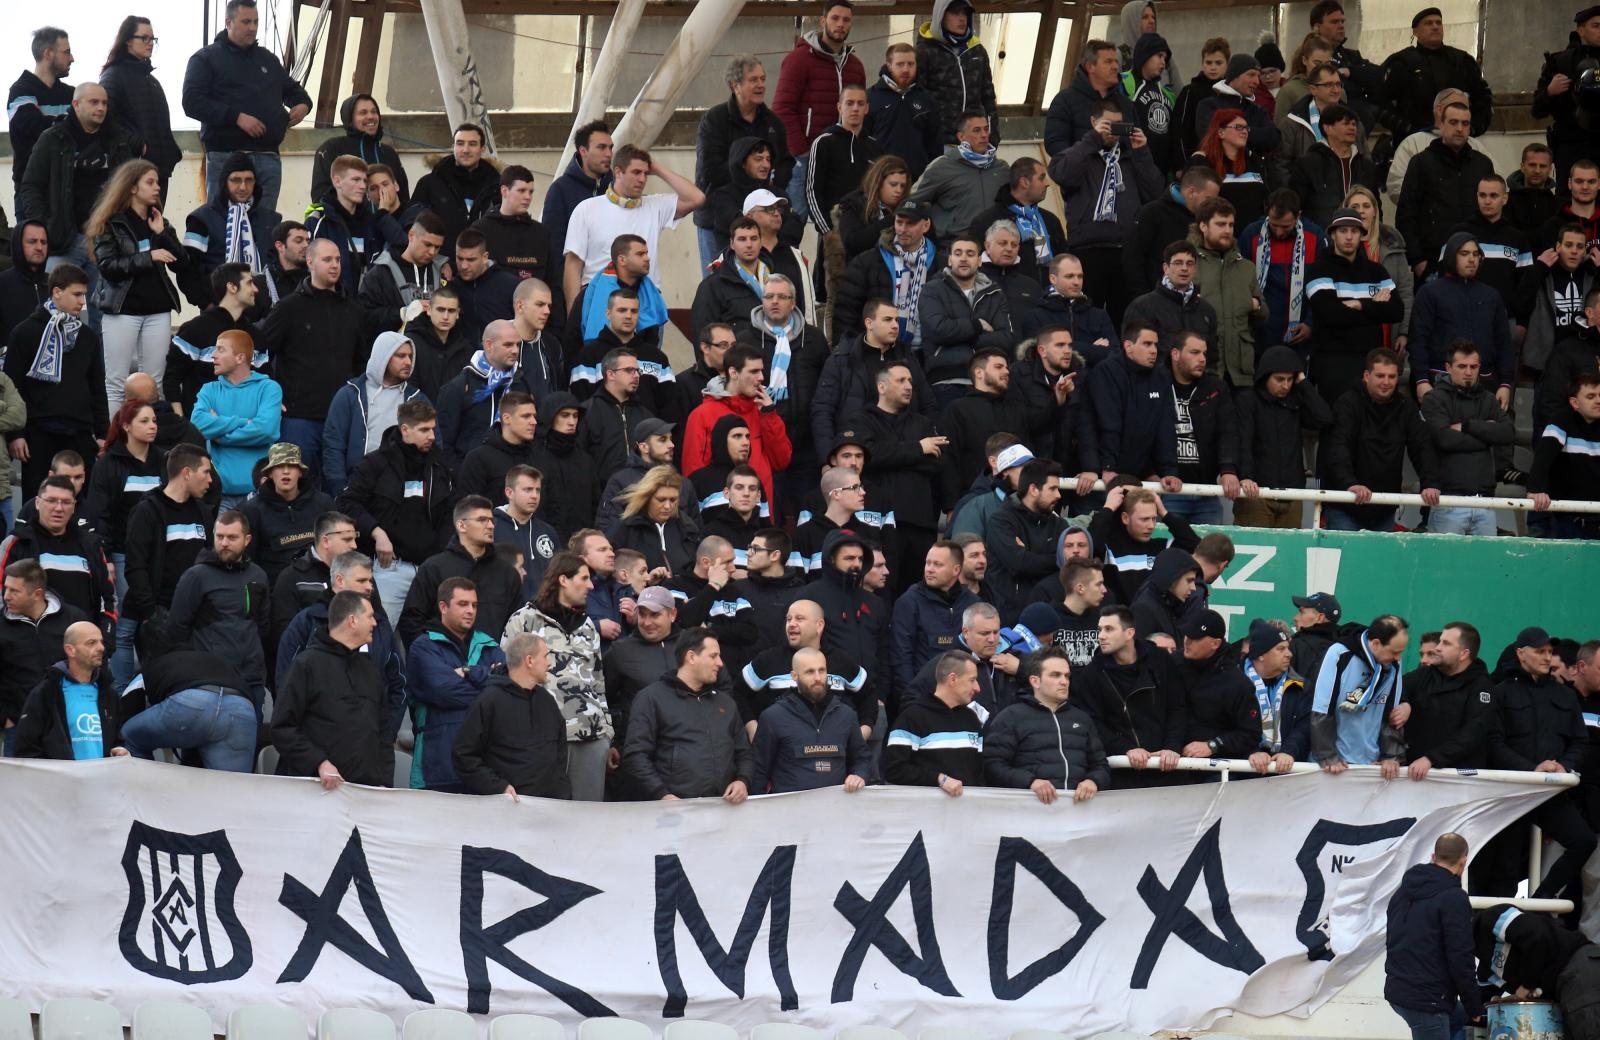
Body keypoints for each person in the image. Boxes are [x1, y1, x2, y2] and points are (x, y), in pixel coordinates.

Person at [1485, 627, 1594, 901]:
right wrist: (1531, 769)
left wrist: (1562, 766)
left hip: (1550, 793)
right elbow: (1493, 743)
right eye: (1540, 651)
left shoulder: (1565, 695)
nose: (1547, 657)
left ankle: (1540, 899)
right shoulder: (1501, 693)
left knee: (1583, 841)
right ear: (1521, 653)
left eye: (1549, 652)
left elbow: (1580, 741)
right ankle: (1497, 924)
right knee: (1505, 869)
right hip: (1512, 795)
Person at [180, 0, 309, 213]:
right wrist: (236, 117)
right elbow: (192, 102)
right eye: (246, 22)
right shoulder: (205, 58)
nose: (252, 27)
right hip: (226, 156)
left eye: (256, 22)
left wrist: (303, 104)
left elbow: (293, 90)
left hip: (268, 156)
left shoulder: (268, 60)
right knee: (223, 222)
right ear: (228, 22)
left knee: (265, 224)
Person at [254, 239, 363, 470]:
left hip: (342, 417)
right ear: (310, 262)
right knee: (298, 482)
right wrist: (270, 394)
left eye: (338, 260)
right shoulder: (289, 308)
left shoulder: (353, 309)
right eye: (327, 259)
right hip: (299, 418)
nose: (335, 265)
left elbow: (361, 361)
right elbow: (259, 351)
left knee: (339, 482)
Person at [1050, 98, 1163, 320]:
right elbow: (1062, 174)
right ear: (1094, 122)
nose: (1113, 131)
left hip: (1126, 250)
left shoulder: (1130, 158)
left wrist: (1141, 152)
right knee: (1085, 314)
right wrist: (1092, 139)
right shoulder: (1080, 154)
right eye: (1108, 125)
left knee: (1125, 316)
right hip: (1088, 248)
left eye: (1119, 125)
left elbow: (1155, 192)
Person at [336, 399, 453, 612]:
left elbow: (449, 513)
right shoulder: (375, 463)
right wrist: (377, 532)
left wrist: (442, 557)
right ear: (405, 430)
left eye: (433, 429)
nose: (432, 436)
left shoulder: (440, 465)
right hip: (388, 568)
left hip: (431, 569)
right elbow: (347, 502)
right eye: (424, 430)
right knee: (380, 628)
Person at [271, 591, 393, 788]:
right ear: (352, 620)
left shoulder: (371, 671)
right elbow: (282, 728)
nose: (375, 623)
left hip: (364, 793)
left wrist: (384, 783)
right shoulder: (307, 664)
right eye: (370, 616)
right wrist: (318, 762)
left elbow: (383, 735)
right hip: (312, 789)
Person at [562, 144, 702, 312]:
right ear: (618, 172)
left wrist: (657, 168)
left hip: (645, 300)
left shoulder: (656, 205)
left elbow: (697, 198)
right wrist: (574, 313)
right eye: (636, 172)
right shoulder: (587, 209)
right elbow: (573, 265)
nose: (642, 179)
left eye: (646, 173)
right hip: (600, 299)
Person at [624, 627, 751, 803]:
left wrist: (742, 780)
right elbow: (636, 755)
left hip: (724, 808)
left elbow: (744, 752)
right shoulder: (651, 699)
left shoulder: (726, 703)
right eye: (713, 656)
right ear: (691, 657)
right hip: (672, 810)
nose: (720, 663)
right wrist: (661, 794)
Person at [1322, 348, 1442, 531]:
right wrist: (1350, 483)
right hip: (1345, 506)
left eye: (1392, 377)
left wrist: (1430, 483)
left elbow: (1422, 446)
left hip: (1384, 509)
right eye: (1380, 376)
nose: (1386, 382)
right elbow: (1338, 447)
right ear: (1366, 376)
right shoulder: (1347, 404)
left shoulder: (1406, 407)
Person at [405, 576, 506, 792]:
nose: (470, 611)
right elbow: (445, 691)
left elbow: (507, 689)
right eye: (463, 604)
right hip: (438, 765)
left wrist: (469, 672)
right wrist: (489, 682)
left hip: (486, 765)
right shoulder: (423, 647)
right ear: (443, 607)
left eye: (474, 605)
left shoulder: (490, 645)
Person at [162, 510, 270, 706]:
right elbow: (176, 628)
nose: (224, 543)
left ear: (247, 540)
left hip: (252, 676)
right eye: (220, 537)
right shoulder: (196, 576)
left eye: (232, 537)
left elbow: (263, 625)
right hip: (210, 680)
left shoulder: (258, 576)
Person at [693, 57, 792, 268]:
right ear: (735, 85)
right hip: (716, 221)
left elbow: (785, 163)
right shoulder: (714, 120)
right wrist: (746, 171)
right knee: (718, 279)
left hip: (763, 225)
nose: (761, 85)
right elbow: (709, 170)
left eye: (763, 79)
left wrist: (772, 188)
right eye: (753, 79)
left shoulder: (773, 123)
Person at [1384, 832, 1484, 1040]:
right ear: (1463, 862)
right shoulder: (1454, 898)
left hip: (1398, 990)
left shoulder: (1403, 892)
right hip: (1427, 1000)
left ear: (1433, 857)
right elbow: (1461, 958)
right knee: (1461, 1015)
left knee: (1458, 1017)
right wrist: (1474, 1006)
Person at [452, 630, 570, 800]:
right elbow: (463, 755)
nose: (549, 663)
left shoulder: (547, 701)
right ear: (529, 660)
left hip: (550, 808)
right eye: (545, 656)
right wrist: (497, 787)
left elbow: (560, 752)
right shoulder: (489, 701)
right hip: (506, 810)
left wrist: (560, 789)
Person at [773, 3, 865, 220]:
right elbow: (782, 108)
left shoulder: (855, 66)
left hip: (840, 159)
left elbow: (860, 108)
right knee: (794, 222)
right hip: (804, 159)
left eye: (846, 20)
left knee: (836, 223)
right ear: (823, 21)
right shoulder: (799, 60)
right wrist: (802, 151)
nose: (840, 24)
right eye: (835, 18)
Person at [1075, 606, 1184, 786]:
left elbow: (1177, 707)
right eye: (1100, 629)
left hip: (1166, 770)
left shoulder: (1160, 661)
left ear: (1129, 633)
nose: (1101, 636)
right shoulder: (1092, 674)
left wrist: (1172, 746)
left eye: (1109, 629)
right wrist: (1126, 749)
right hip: (1122, 774)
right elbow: (1094, 723)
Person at [399, 495, 521, 648]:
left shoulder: (507, 573)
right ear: (461, 525)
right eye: (482, 520)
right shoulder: (434, 568)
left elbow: (517, 625)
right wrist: (431, 656)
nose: (490, 526)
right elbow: (411, 621)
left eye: (491, 520)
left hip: (495, 660)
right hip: (443, 660)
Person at [1305, 210, 1404, 395]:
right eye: (1343, 231)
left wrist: (1360, 305)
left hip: (1370, 362)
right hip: (1333, 363)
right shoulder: (1318, 269)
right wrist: (1375, 307)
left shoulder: (1377, 271)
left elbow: (1397, 311)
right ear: (1333, 234)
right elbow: (1331, 315)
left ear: (1361, 235)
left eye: (1354, 231)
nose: (1349, 237)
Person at [1418, 342, 1513, 535]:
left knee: (1484, 558)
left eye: (1473, 366)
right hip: (1448, 501)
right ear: (1448, 367)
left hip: (1485, 502)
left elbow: (1507, 433)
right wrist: (1487, 436)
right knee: (1445, 557)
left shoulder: (1489, 399)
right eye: (1462, 366)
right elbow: (1444, 438)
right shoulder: (1434, 398)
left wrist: (1468, 426)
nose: (1468, 372)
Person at [682, 344, 791, 509]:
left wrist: (769, 414)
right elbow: (693, 474)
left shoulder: (763, 410)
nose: (761, 377)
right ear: (733, 373)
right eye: (754, 371)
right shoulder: (702, 414)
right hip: (720, 511)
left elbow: (781, 461)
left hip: (761, 511)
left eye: (761, 371)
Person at [1408, 236, 1514, 407]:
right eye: (1464, 254)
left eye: (1475, 254)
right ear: (1451, 256)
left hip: (1484, 384)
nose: (1472, 259)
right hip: (1439, 382)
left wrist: (1505, 384)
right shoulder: (1429, 293)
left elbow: (1504, 344)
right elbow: (1417, 340)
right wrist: (1421, 380)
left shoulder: (1491, 296)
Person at [1234, 346, 1331, 528]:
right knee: (1254, 543)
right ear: (1265, 376)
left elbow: (1324, 418)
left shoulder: (1295, 401)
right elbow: (1243, 440)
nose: (1286, 385)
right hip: (1256, 492)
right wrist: (1245, 476)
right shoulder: (1248, 399)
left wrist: (1303, 382)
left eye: (1290, 379)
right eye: (1279, 379)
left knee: (1290, 547)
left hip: (1292, 495)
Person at [1397, 102, 1495, 280]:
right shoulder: (1421, 163)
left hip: (1477, 261)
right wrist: (1418, 261)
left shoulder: (1482, 164)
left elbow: (1492, 211)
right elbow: (1406, 213)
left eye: (1465, 123)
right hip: (1433, 263)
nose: (1460, 129)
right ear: (1441, 124)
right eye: (1453, 122)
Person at [0, 559, 89, 754]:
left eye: (14, 591)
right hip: (20, 726)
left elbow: (94, 664)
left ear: (37, 594)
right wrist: (5, 717)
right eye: (5, 588)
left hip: (73, 724)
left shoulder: (74, 619)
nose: (6, 596)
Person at [321, 331, 424, 496]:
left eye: (410, 356)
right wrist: (341, 489)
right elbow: (333, 445)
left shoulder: (417, 399)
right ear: (383, 357)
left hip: (401, 489)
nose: (408, 362)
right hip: (359, 485)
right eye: (401, 356)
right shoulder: (350, 395)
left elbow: (431, 444)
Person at [177, 154, 278, 313]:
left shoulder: (270, 219)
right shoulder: (201, 219)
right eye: (236, 180)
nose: (243, 187)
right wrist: (206, 304)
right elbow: (187, 268)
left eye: (249, 180)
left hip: (262, 310)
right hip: (218, 308)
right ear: (224, 182)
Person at [190, 330, 280, 508]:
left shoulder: (269, 388)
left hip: (259, 495)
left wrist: (219, 434)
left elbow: (266, 430)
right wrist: (244, 422)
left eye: (220, 349)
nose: (213, 355)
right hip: (219, 495)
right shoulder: (209, 390)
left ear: (240, 358)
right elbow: (198, 425)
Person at [1159, 329, 1241, 523]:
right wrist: (1152, 474)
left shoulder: (1215, 387)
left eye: (1204, 353)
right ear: (1175, 354)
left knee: (1211, 544)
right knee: (1167, 544)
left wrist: (1228, 469)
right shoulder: (1156, 384)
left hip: (1206, 492)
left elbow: (1227, 431)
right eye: (1194, 352)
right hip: (1167, 490)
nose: (1202, 359)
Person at [1310, 614, 1408, 773]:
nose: (1398, 658)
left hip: (1373, 765)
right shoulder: (1339, 654)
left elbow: (1391, 713)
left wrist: (1391, 756)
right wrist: (1328, 756)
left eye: (1401, 652)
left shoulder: (1394, 663)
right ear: (1375, 644)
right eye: (1394, 652)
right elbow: (1322, 709)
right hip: (1337, 765)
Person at [919, 240, 1013, 405]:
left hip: (989, 381)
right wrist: (978, 326)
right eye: (958, 253)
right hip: (946, 380)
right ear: (950, 260)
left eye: (970, 254)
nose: (963, 258)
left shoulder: (995, 293)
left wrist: (963, 335)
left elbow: (1006, 339)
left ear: (979, 261)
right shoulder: (931, 290)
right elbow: (939, 330)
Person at [1085, 320, 1179, 486]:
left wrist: (1167, 472)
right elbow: (1108, 424)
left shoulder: (1161, 376)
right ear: (1128, 346)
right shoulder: (1106, 372)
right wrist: (1108, 467)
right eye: (1147, 344)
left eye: (1155, 345)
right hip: (1103, 474)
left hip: (1140, 473)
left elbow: (1165, 428)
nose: (1154, 350)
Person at [1378, 8, 1493, 142]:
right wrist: (1407, 129)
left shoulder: (1462, 61)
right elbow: (1381, 103)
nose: (1435, 27)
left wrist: (1472, 129)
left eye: (1438, 23)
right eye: (1428, 23)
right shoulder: (1400, 63)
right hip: (1413, 141)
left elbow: (1483, 99)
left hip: (1459, 143)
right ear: (1415, 31)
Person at [13, 621, 123, 760]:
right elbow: (26, 749)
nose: (101, 648)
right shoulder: (46, 693)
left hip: (102, 774)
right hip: (60, 775)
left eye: (101, 642)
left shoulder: (108, 694)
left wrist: (120, 750)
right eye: (91, 643)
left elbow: (117, 740)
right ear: (70, 650)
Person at [884, 650, 984, 793]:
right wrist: (938, 779)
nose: (977, 688)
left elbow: (979, 773)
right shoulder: (912, 717)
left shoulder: (971, 719)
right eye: (972, 680)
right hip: (925, 806)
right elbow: (894, 770)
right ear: (953, 679)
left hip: (968, 806)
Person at [1402, 621, 1493, 778]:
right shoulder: (1422, 676)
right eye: (1440, 641)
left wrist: (1432, 759)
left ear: (1464, 654)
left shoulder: (1481, 686)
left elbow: (1473, 732)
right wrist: (1404, 703)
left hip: (1458, 780)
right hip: (1414, 775)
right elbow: (1394, 691)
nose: (1437, 648)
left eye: (1446, 643)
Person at [890, 541, 979, 696]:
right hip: (923, 697)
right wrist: (912, 698)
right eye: (928, 563)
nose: (929, 569)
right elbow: (901, 657)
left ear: (956, 570)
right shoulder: (909, 602)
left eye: (938, 564)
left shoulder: (973, 603)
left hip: (965, 695)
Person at [906, 112, 1009, 245]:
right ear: (961, 137)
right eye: (976, 130)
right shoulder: (942, 166)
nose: (984, 135)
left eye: (986, 129)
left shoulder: (1002, 169)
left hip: (994, 246)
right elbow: (912, 202)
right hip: (953, 246)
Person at [985, 459, 1067, 622]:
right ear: (1033, 489)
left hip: (1050, 616)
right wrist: (1057, 558)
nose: (1059, 495)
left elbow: (1071, 563)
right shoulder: (1001, 521)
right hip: (1010, 619)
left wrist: (1029, 555)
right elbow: (1019, 563)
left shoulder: (1059, 524)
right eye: (1052, 489)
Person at [565, 235, 666, 364]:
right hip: (595, 367)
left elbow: (653, 344)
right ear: (622, 260)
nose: (647, 258)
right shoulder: (591, 294)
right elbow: (572, 340)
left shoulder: (650, 295)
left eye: (646, 253)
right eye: (640, 254)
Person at [804, 84, 885, 246]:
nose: (855, 108)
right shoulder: (823, 142)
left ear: (867, 108)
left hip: (867, 230)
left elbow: (880, 190)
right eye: (849, 103)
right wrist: (826, 230)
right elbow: (812, 190)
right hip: (834, 229)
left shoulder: (875, 147)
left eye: (860, 104)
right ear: (839, 107)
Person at [409, 123, 500, 260]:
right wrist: (438, 261)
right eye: (460, 143)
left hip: (484, 264)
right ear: (453, 147)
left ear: (482, 149)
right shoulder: (429, 184)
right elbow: (413, 225)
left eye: (472, 144)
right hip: (439, 263)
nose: (465, 150)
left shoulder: (497, 187)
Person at [1530, 372, 1600, 539]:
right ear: (1574, 403)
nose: (1598, 400)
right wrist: (1536, 490)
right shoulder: (1561, 420)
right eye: (1591, 396)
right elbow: (1542, 459)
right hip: (1567, 520)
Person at [1288, 103, 1379, 230]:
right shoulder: (1308, 164)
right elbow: (1296, 207)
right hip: (1321, 235)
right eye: (1346, 123)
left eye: (1354, 124)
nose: (1352, 128)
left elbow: (1376, 206)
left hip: (1361, 235)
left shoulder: (1366, 166)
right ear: (1328, 128)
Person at [308, 93, 408, 209]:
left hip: (389, 220)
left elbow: (403, 196)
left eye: (374, 112)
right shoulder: (331, 148)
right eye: (363, 113)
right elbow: (320, 195)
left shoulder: (389, 153)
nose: (370, 116)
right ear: (350, 119)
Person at [357, 212, 447, 340]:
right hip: (395, 348)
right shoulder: (381, 273)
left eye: (437, 247)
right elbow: (364, 316)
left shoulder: (443, 273)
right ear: (411, 236)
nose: (432, 252)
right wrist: (401, 313)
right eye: (427, 245)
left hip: (434, 348)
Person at [8, 27, 74, 201]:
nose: (72, 58)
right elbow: (34, 125)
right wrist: (74, 123)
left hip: (68, 191)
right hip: (33, 192)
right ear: (48, 54)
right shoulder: (20, 91)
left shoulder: (72, 93)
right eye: (67, 52)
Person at [1534, 9, 1600, 182]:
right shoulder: (1561, 62)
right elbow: (1537, 110)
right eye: (1596, 26)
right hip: (1571, 146)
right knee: (1568, 195)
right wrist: (1549, 91)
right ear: (1581, 30)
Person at [1044, 39, 1135, 155]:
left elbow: (1133, 142)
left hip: (1116, 166)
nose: (1115, 67)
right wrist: (1082, 160)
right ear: (1090, 66)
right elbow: (1055, 143)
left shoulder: (1125, 104)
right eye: (1108, 62)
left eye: (1116, 62)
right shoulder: (1065, 101)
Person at [867, 44, 942, 180]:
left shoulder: (927, 99)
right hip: (881, 177)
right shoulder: (871, 97)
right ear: (889, 65)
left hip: (918, 180)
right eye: (900, 64)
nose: (906, 69)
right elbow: (863, 141)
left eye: (911, 64)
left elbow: (935, 145)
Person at [1242, 619, 1310, 771]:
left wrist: (1288, 752)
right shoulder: (1235, 684)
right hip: (1242, 773)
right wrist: (1252, 751)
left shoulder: (1301, 686)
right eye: (1281, 649)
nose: (1289, 654)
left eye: (1288, 648)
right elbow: (1229, 727)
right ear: (1261, 655)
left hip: (1287, 772)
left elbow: (1304, 727)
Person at [543, 121, 614, 264]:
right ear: (583, 151)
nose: (608, 154)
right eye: (601, 147)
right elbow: (553, 245)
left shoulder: (617, 188)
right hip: (574, 275)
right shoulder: (560, 190)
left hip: (614, 275)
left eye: (610, 147)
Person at [1306, 1, 1384, 128]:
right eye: (1334, 22)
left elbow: (1379, 75)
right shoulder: (1310, 56)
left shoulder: (1351, 55)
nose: (1341, 26)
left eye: (1342, 21)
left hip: (1361, 124)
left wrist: (1350, 72)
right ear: (1317, 27)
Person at [1018, 559, 1106, 667]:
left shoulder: (1102, 620)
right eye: (1099, 584)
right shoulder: (1047, 620)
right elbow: (1034, 663)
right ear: (1080, 588)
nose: (1104, 589)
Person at [1118, 33, 1180, 176]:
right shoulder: (1123, 82)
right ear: (1145, 54)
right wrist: (1135, 135)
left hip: (1161, 174)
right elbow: (1111, 126)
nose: (1163, 62)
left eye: (1165, 58)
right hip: (1130, 170)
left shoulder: (1169, 95)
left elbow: (1174, 136)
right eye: (1159, 56)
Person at [1508, 142, 1562, 237]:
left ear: (1550, 169)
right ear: (1522, 167)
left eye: (1543, 166)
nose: (1537, 171)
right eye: (1532, 165)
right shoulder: (1505, 202)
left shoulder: (1558, 206)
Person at [261, 219, 308, 310]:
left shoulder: (314, 281)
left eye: (307, 241)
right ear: (280, 246)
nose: (306, 245)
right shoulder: (261, 285)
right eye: (299, 241)